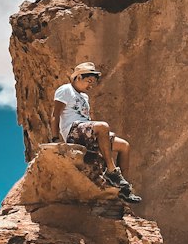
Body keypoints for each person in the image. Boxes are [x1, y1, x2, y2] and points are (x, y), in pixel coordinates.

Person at [51, 62, 141, 203]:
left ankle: (124, 188)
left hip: (85, 131)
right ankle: (112, 171)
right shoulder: (65, 90)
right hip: (73, 130)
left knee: (124, 146)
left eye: (93, 82)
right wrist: (55, 137)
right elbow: (56, 114)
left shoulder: (85, 97)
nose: (91, 85)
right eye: (89, 81)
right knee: (103, 126)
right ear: (79, 77)